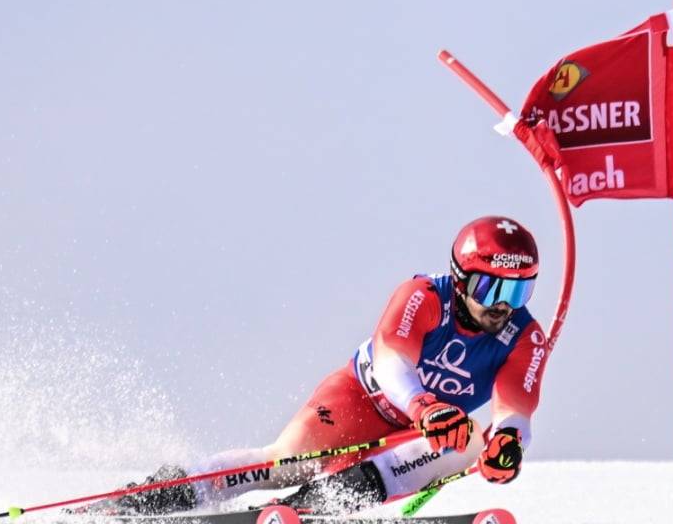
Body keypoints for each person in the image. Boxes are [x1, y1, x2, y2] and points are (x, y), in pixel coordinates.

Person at [86, 216, 551, 516]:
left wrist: (507, 444)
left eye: (519, 292)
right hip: (359, 399)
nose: (503, 307)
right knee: (279, 462)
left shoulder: (525, 336)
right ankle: (156, 494)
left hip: (422, 435)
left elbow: (516, 411)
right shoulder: (424, 296)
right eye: (493, 290)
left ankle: (317, 506)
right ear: (460, 277)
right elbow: (392, 363)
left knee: (471, 439)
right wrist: (425, 406)